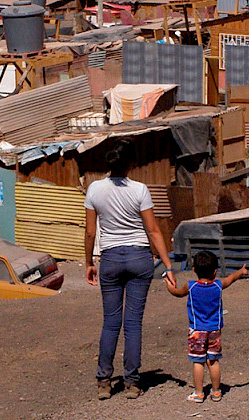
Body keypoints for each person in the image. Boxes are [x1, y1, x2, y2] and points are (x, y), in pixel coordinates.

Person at [84, 140, 176, 401]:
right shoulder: (140, 190)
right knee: (133, 324)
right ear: (131, 164)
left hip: (111, 260)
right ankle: (132, 383)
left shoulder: (94, 189)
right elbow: (153, 230)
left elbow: (91, 231)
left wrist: (89, 261)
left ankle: (104, 382)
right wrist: (168, 266)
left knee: (111, 322)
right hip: (139, 259)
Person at [164, 251, 247, 403]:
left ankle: (198, 393)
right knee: (213, 361)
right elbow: (231, 278)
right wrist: (241, 271)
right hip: (215, 329)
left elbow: (177, 293)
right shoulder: (218, 285)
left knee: (198, 361)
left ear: (194, 269)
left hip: (197, 329)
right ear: (215, 271)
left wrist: (169, 286)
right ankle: (216, 392)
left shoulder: (191, 286)